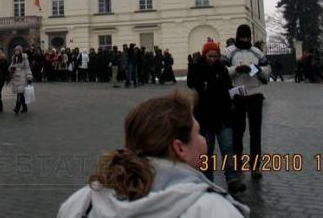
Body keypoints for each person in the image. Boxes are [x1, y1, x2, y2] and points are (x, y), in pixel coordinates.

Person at [57, 91, 249, 217]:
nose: (204, 140)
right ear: (179, 148)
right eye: (198, 133)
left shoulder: (82, 203)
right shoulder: (213, 210)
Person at [187, 40, 245, 194]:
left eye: (215, 56)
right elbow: (190, 82)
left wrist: (236, 95)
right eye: (210, 56)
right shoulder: (198, 68)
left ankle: (232, 179)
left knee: (227, 148)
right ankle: (208, 182)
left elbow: (228, 88)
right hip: (204, 117)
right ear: (205, 55)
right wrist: (192, 65)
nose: (213, 59)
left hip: (223, 116)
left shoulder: (222, 69)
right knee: (207, 151)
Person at [223, 24, 270, 179]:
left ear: (250, 37)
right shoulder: (229, 51)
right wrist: (236, 70)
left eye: (246, 36)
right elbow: (222, 71)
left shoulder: (256, 52)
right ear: (237, 36)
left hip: (255, 95)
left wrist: (255, 68)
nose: (244, 39)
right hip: (237, 95)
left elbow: (267, 70)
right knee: (238, 132)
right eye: (242, 36)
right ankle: (238, 165)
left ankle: (255, 166)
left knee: (255, 132)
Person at [9, 45, 33, 114]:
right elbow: (11, 66)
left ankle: (17, 108)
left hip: (23, 76)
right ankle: (25, 108)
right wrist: (11, 68)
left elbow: (27, 68)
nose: (16, 51)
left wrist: (29, 76)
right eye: (15, 50)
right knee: (21, 93)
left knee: (19, 93)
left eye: (18, 50)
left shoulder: (24, 58)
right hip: (15, 77)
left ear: (20, 51)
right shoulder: (13, 58)